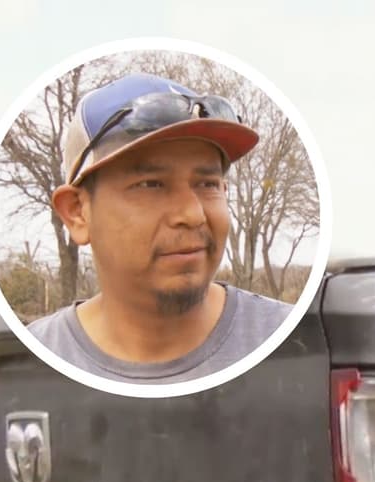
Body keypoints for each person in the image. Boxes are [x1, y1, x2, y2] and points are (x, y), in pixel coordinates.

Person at [27, 72, 293, 385]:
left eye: (207, 184)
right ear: (77, 214)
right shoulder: (31, 365)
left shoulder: (297, 345)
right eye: (151, 185)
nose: (192, 214)